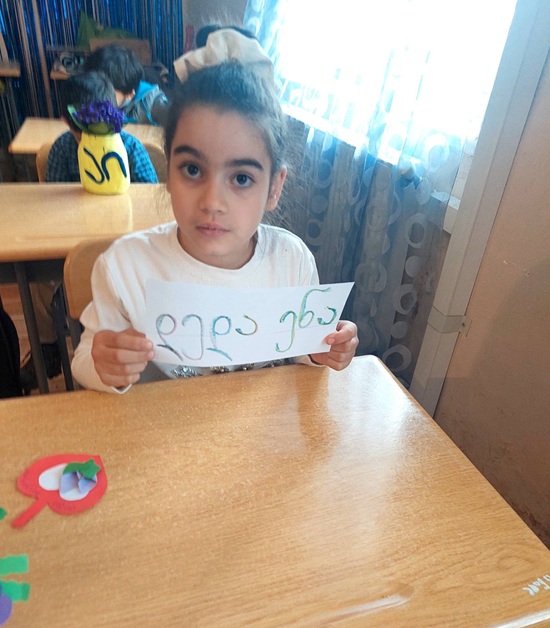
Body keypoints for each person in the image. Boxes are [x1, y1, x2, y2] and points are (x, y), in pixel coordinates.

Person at [71, 60, 358, 393]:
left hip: (261, 422)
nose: (212, 202)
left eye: (241, 178)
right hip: (166, 423)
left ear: (274, 188)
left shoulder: (291, 261)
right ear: (169, 171)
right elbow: (84, 360)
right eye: (192, 170)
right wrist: (105, 364)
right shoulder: (125, 267)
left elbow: (301, 359)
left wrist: (321, 350)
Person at [19, 71, 159, 394]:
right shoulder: (62, 149)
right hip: (74, 242)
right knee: (40, 284)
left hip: (125, 240)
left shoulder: (130, 146)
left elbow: (152, 195)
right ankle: (49, 348)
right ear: (68, 124)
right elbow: (50, 200)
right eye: (83, 129)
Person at [83, 44, 170, 126]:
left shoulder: (153, 103)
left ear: (129, 94)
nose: (97, 96)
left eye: (106, 92)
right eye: (94, 89)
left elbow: (174, 122)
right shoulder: (88, 97)